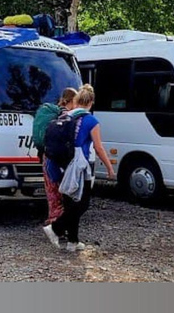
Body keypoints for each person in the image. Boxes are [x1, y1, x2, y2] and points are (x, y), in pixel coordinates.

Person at [58, 84, 115, 252]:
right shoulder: (91, 120)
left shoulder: (67, 115)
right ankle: (55, 228)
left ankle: (72, 242)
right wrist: (110, 168)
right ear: (91, 102)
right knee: (82, 204)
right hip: (82, 165)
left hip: (64, 163)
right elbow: (98, 147)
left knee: (70, 202)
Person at [39, 88, 78, 249]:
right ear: (71, 100)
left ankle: (56, 227)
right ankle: (56, 230)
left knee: (53, 194)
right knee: (61, 195)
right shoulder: (67, 116)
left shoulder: (53, 114)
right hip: (60, 161)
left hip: (48, 158)